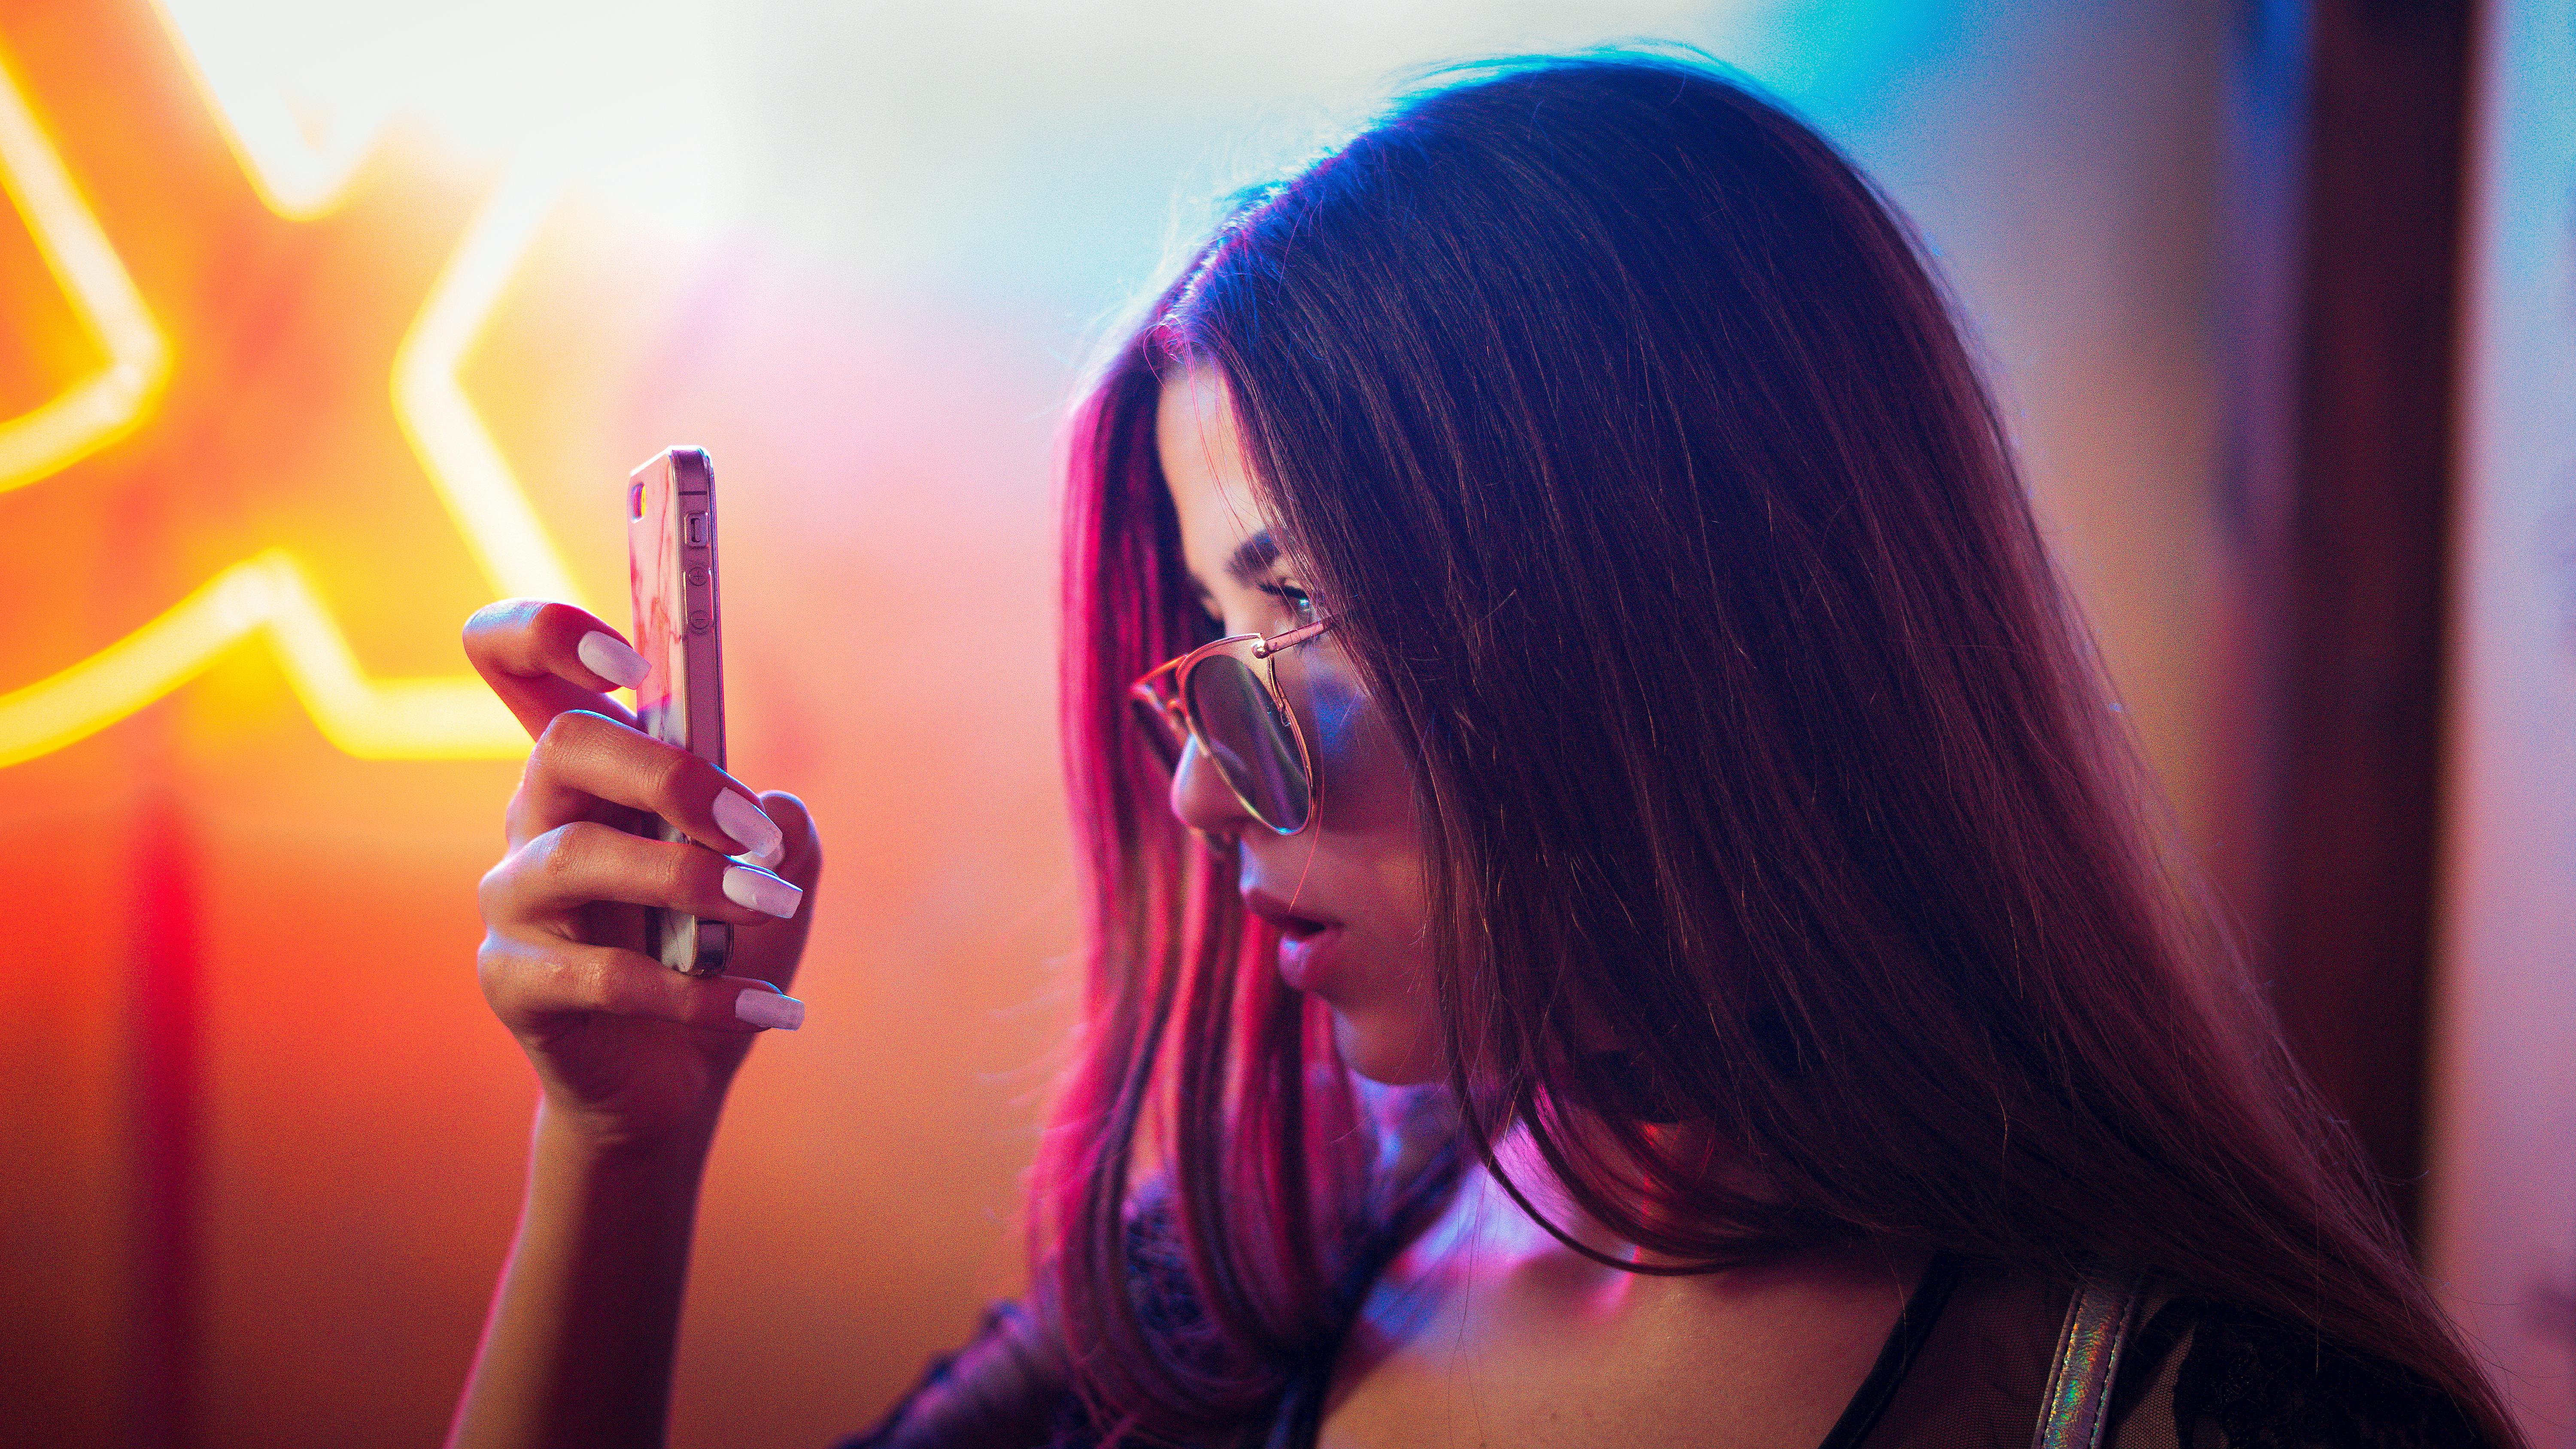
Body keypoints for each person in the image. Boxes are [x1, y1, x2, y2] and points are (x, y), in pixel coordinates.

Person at [446, 53, 2517, 1449]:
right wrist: (621, 1149)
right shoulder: (1249, 1273)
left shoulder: (2203, 1403)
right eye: (1209, 642)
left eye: (1305, 606)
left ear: (1674, 611)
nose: (1203, 778)